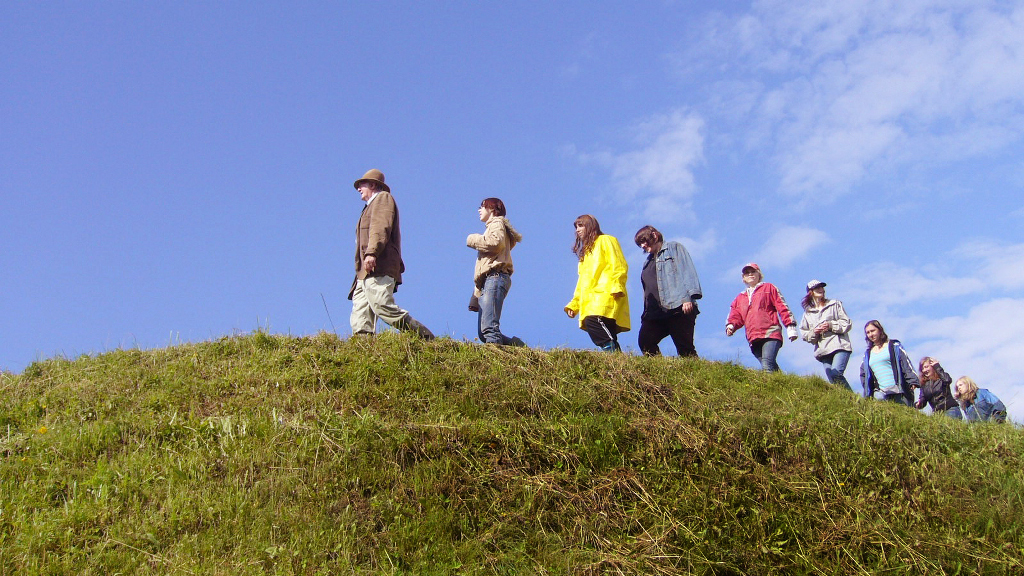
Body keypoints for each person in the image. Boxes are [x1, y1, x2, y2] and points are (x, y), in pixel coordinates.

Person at [347, 169, 434, 339]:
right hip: (364, 271)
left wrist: (372, 253)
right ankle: (362, 347)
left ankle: (423, 336)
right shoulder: (368, 207)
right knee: (360, 311)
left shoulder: (382, 199)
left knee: (381, 305)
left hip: (379, 264)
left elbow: (380, 228)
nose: (358, 188)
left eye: (362, 184)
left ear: (373, 185)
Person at [633, 225, 702, 357]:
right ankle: (660, 372)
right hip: (654, 313)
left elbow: (687, 270)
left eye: (644, 241)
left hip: (677, 307)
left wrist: (688, 298)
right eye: (639, 244)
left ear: (654, 235)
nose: (642, 246)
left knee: (685, 349)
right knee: (645, 342)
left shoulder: (674, 248)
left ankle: (696, 376)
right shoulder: (647, 263)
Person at [564, 215, 630, 351]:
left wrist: (617, 285)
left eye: (580, 225)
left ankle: (613, 354)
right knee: (603, 327)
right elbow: (581, 282)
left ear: (590, 226)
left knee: (593, 320)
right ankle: (616, 360)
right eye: (576, 227)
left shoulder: (606, 240)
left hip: (606, 292)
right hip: (590, 298)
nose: (577, 230)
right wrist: (574, 304)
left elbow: (618, 264)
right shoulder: (585, 254)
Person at [466, 197, 525, 346]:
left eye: (482, 206)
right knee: (483, 332)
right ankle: (515, 346)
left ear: (492, 209)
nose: (479, 210)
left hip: (495, 277)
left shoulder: (497, 223)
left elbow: (495, 243)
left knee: (489, 328)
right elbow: (485, 267)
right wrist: (476, 297)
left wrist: (472, 239)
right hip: (489, 280)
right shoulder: (492, 226)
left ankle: (494, 357)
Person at [725, 263, 798, 371]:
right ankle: (783, 384)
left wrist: (790, 326)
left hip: (770, 332)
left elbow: (782, 306)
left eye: (753, 272)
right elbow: (735, 315)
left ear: (759, 274)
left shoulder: (769, 288)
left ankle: (768, 386)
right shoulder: (740, 297)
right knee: (771, 365)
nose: (750, 274)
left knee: (767, 365)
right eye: (747, 273)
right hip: (753, 337)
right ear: (743, 278)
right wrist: (731, 326)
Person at [798, 280, 853, 390]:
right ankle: (846, 402)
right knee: (834, 382)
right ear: (810, 292)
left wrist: (830, 325)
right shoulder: (808, 314)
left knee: (836, 374)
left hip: (840, 345)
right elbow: (805, 334)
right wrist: (815, 331)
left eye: (821, 287)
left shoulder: (834, 304)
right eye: (816, 288)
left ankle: (855, 402)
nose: (820, 289)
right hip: (823, 351)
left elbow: (846, 323)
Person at [859, 320, 917, 405]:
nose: (870, 334)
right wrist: (868, 391)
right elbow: (864, 374)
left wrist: (912, 381)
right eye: (868, 332)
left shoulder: (894, 346)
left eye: (873, 331)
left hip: (898, 390)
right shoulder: (867, 354)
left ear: (880, 330)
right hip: (880, 393)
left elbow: (905, 363)